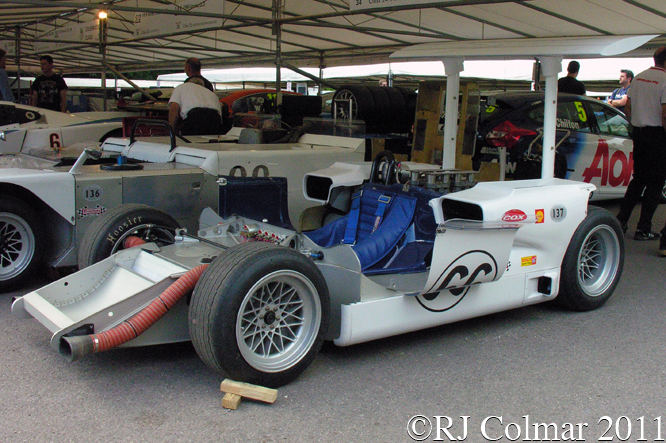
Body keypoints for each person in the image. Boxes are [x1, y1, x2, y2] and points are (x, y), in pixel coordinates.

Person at [616, 46, 666, 245]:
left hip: (639, 134)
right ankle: (643, 228)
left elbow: (628, 106)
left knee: (638, 180)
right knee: (656, 183)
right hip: (658, 136)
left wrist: (635, 123)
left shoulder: (640, 78)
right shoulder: (664, 80)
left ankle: (621, 220)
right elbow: (665, 114)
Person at [168, 66, 222, 135]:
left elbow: (173, 109)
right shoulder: (212, 94)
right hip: (214, 120)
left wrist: (171, 131)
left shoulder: (181, 87)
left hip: (195, 119)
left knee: (189, 144)